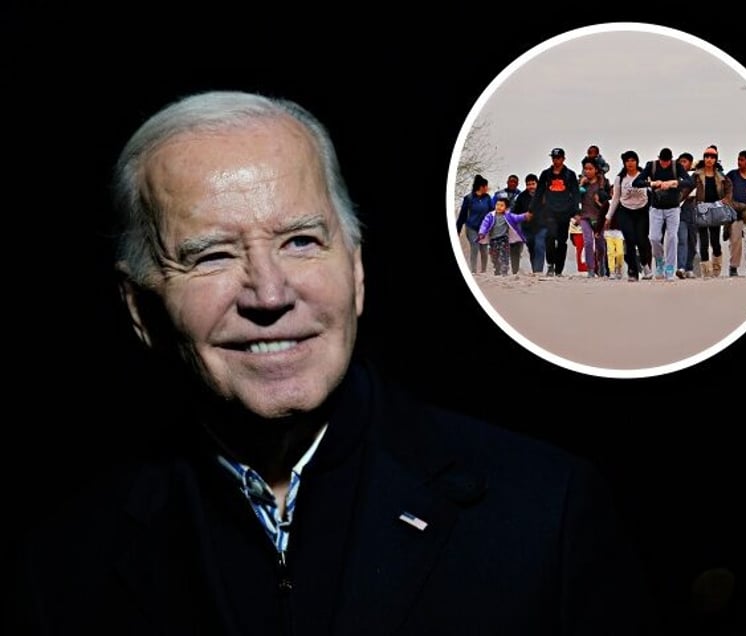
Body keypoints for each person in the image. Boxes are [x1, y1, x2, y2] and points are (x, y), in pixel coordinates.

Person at [10, 91, 644, 635]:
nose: (270, 294)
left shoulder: (543, 511)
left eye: (301, 241)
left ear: (358, 271)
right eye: (211, 256)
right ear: (139, 307)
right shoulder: (63, 566)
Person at [632, 147, 694, 281]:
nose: (664, 164)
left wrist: (675, 183)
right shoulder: (652, 166)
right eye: (662, 161)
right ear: (659, 158)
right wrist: (652, 183)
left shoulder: (676, 167)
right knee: (653, 237)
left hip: (673, 207)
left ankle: (670, 267)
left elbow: (690, 182)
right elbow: (636, 182)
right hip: (656, 207)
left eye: (667, 161)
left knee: (672, 237)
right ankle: (660, 261)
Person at [531, 147, 580, 277]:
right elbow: (539, 193)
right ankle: (550, 264)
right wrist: (531, 210)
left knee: (562, 241)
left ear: (563, 159)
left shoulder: (570, 175)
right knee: (550, 237)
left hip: (565, 212)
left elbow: (575, 194)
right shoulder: (546, 174)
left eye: (558, 158)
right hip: (550, 211)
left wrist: (576, 211)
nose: (556, 160)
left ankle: (559, 269)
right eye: (553, 158)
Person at [606, 150, 652, 282]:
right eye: (627, 161)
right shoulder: (620, 178)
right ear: (624, 163)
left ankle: (645, 266)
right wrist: (608, 217)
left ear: (637, 162)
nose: (630, 163)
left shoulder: (644, 176)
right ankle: (632, 270)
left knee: (641, 239)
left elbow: (652, 192)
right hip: (625, 211)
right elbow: (615, 198)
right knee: (630, 240)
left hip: (642, 211)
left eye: (633, 160)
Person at [690, 147, 733, 278]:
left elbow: (729, 188)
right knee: (703, 241)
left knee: (715, 241)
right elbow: (688, 189)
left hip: (716, 210)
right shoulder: (697, 175)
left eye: (712, 157)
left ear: (715, 159)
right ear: (704, 158)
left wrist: (726, 199)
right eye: (707, 156)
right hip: (702, 209)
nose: (709, 159)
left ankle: (716, 266)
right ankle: (706, 271)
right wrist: (678, 200)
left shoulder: (721, 175)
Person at [476, 195, 531, 275]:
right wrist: (482, 232)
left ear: (506, 208)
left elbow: (517, 217)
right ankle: (497, 269)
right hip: (493, 240)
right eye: (497, 205)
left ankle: (504, 271)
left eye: (501, 205)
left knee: (504, 256)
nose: (498, 207)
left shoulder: (508, 216)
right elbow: (484, 224)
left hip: (503, 239)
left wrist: (525, 216)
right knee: (494, 256)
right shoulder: (490, 215)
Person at [576, 156, 610, 278]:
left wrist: (599, 202)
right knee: (588, 242)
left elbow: (608, 201)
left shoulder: (603, 183)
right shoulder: (581, 183)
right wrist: (580, 185)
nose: (588, 171)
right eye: (585, 169)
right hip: (585, 217)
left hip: (599, 218)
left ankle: (601, 265)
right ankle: (590, 269)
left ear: (596, 169)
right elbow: (575, 199)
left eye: (590, 169)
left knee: (600, 244)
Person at [456, 174, 495, 273]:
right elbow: (463, 215)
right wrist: (458, 229)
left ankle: (483, 271)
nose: (488, 188)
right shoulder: (469, 198)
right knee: (475, 247)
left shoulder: (488, 198)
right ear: (482, 187)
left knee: (484, 250)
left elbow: (492, 212)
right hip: (471, 227)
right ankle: (473, 271)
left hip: (484, 229)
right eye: (486, 186)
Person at [513, 173, 545, 273]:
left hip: (542, 226)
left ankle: (538, 271)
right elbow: (515, 212)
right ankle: (535, 270)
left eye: (533, 184)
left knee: (539, 246)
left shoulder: (544, 195)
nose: (531, 186)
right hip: (527, 228)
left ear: (537, 184)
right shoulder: (521, 197)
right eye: (528, 184)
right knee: (531, 249)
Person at [675, 152, 698, 279]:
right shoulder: (675, 178)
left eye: (685, 161)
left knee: (692, 242)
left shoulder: (695, 177)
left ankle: (689, 267)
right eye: (681, 161)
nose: (682, 164)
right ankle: (681, 267)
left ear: (690, 164)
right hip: (680, 214)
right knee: (682, 240)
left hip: (693, 212)